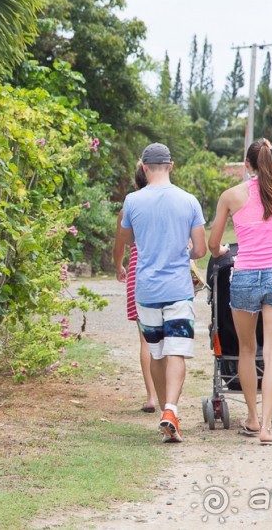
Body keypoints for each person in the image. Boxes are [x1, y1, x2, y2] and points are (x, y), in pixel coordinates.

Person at [208, 138, 272, 446]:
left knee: (248, 349)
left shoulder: (231, 196)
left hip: (244, 275)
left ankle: (252, 418)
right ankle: (267, 429)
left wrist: (222, 250)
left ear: (246, 164)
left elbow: (214, 246)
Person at [121, 143, 206, 443]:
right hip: (178, 289)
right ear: (171, 166)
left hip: (146, 290)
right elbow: (200, 249)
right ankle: (171, 409)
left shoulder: (132, 201)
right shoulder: (189, 201)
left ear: (144, 167)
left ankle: (164, 414)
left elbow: (128, 242)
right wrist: (185, 252)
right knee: (176, 351)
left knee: (156, 352)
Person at [113, 160, 158, 414]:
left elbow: (120, 245)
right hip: (164, 274)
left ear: (135, 182)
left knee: (145, 340)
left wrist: (119, 266)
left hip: (138, 275)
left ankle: (151, 396)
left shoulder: (129, 205)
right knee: (164, 338)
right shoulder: (164, 202)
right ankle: (167, 397)